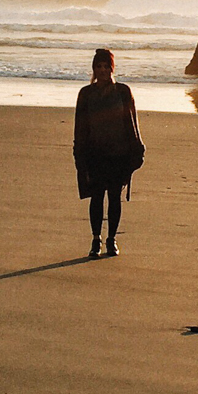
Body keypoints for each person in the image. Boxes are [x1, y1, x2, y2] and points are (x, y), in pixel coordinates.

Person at [73, 48, 144, 258]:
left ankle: (111, 239)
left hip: (118, 155)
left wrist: (137, 149)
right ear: (94, 69)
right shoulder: (86, 94)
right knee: (96, 198)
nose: (102, 70)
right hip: (94, 154)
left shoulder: (122, 91)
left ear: (112, 69)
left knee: (114, 198)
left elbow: (132, 123)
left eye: (106, 66)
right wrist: (79, 156)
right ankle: (96, 240)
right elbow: (80, 127)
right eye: (99, 66)